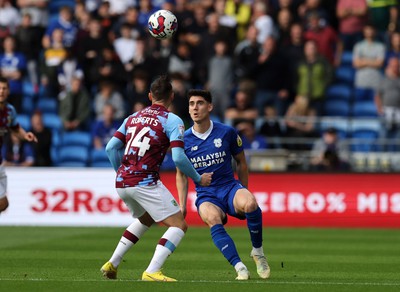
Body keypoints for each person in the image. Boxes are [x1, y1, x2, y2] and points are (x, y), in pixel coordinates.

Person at [100, 75, 212, 282]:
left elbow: (110, 148)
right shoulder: (172, 120)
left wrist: (121, 172)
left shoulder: (132, 117)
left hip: (123, 181)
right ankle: (152, 271)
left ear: (150, 96)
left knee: (146, 218)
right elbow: (178, 157)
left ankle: (113, 263)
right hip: (144, 181)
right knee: (179, 225)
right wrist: (198, 178)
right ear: (171, 96)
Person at [176, 89, 270, 280]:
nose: (195, 107)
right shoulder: (183, 140)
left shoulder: (226, 132)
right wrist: (182, 205)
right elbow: (181, 175)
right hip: (206, 194)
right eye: (191, 103)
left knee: (251, 203)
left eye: (200, 103)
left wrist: (244, 189)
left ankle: (257, 252)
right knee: (212, 218)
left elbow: (241, 162)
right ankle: (239, 267)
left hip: (229, 187)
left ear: (209, 107)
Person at [0, 76, 37, 213]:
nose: (1, 91)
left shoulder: (10, 110)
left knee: (3, 204)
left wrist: (25, 135)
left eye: (4, 88)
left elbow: (15, 127)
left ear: (8, 91)